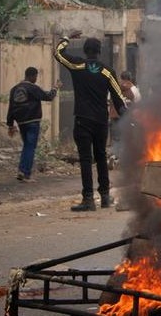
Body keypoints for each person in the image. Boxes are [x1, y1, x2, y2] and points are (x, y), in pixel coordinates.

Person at [54, 36, 128, 210]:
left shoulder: (78, 65)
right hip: (101, 121)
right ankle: (105, 196)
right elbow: (118, 100)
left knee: (86, 159)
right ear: (99, 52)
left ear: (85, 51)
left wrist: (66, 38)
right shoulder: (107, 71)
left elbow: (58, 53)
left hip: (83, 120)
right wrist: (129, 120)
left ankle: (88, 199)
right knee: (101, 156)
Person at [6, 66, 60, 182]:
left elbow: (11, 108)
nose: (36, 79)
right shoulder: (32, 88)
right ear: (32, 76)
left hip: (21, 122)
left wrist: (10, 124)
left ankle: (21, 170)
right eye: (36, 76)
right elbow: (48, 97)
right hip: (32, 122)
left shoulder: (14, 89)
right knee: (30, 147)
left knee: (27, 146)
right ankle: (25, 173)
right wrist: (55, 88)